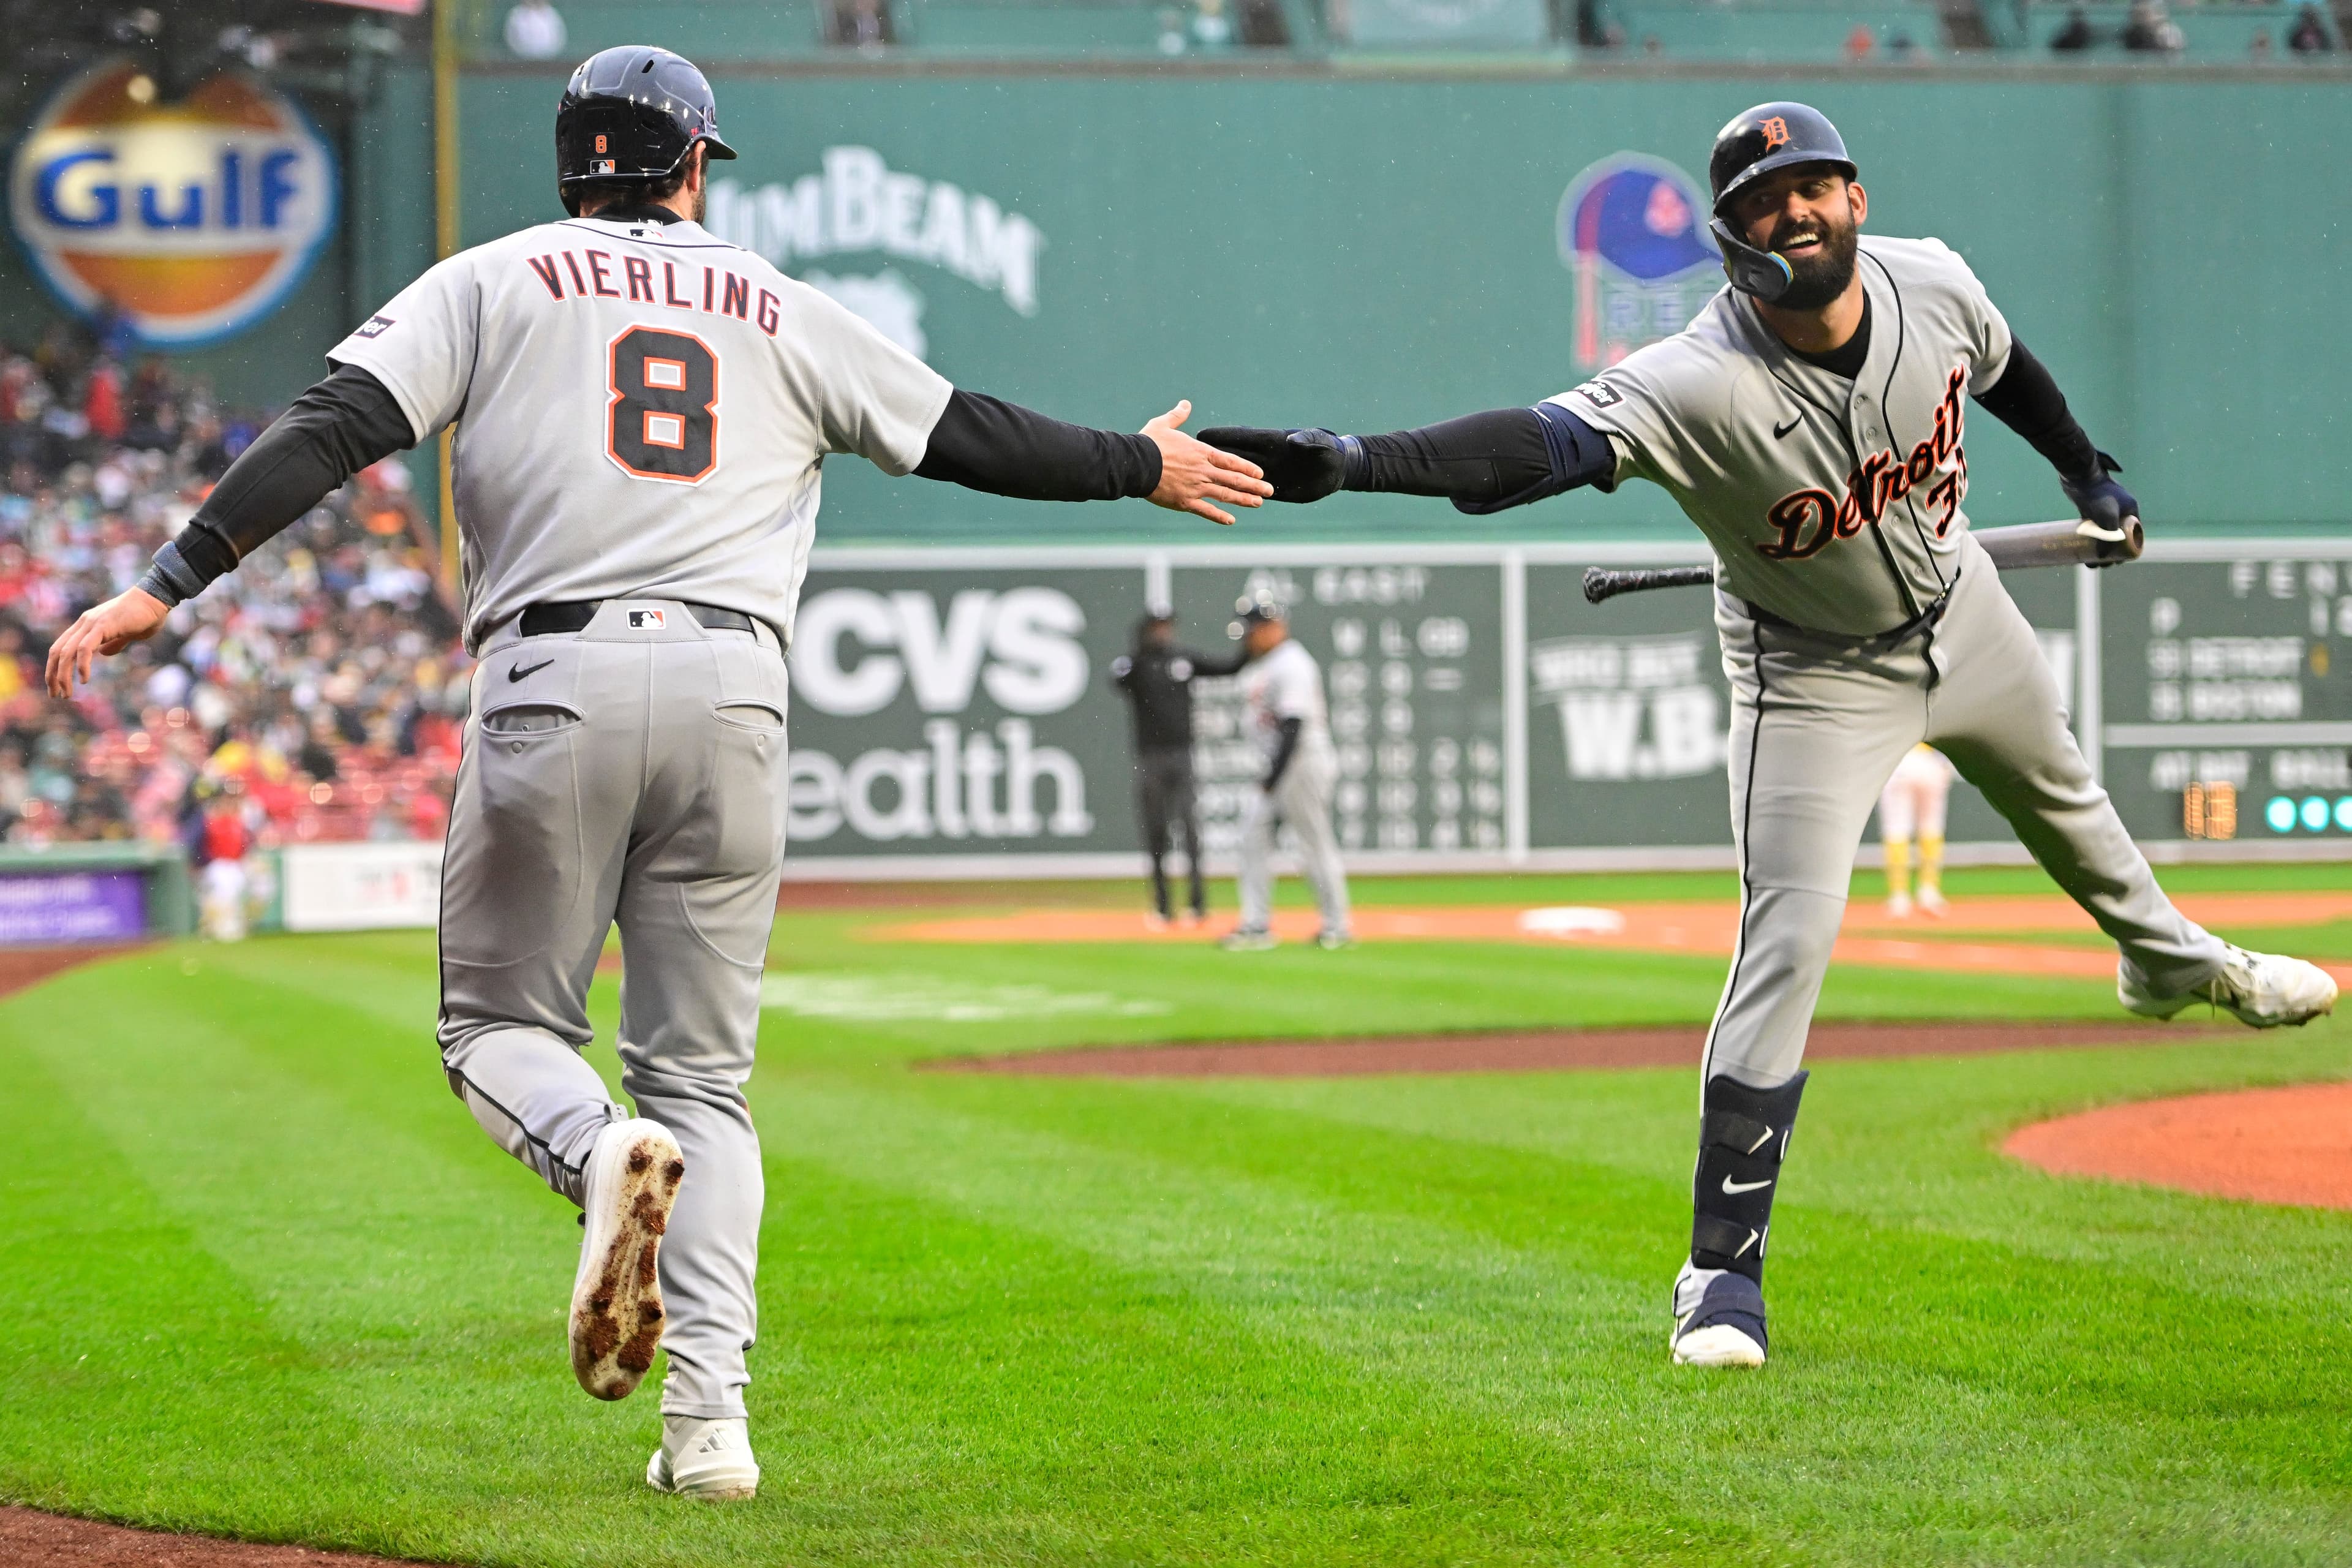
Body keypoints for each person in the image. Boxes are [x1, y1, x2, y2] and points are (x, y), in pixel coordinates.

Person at [47, 45, 1267, 1501]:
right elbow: (970, 436)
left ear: (571, 166)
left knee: (494, 1026)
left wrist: (166, 584)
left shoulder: (490, 278)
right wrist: (1137, 462)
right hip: (737, 689)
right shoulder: (781, 303)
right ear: (694, 167)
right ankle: (709, 1432)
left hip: (553, 678)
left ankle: (592, 1150)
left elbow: (333, 428)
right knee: (706, 1081)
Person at [1200, 100, 2335, 1371]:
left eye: (1818, 184)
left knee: (2077, 814)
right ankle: (1719, 1278)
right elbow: (1535, 445)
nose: (1798, 208)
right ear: (1735, 236)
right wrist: (1357, 459)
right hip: (1813, 671)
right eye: (1764, 200)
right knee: (1788, 939)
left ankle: (2172, 961)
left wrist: (2089, 470)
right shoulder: (1696, 374)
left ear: (1854, 195)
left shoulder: (1934, 279)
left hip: (1967, 604)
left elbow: (2010, 370)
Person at [1221, 597, 1351, 951]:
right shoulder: (1268, 663)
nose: (1247, 637)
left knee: (1314, 844)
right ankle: (1257, 924)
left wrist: (1272, 778)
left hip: (1301, 763)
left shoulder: (1292, 663)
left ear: (1273, 627)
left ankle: (1338, 926)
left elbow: (1294, 724)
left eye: (1252, 629)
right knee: (1252, 837)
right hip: (1279, 765)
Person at [1109, 611, 1242, 926]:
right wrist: (1140, 651)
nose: (1163, 633)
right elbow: (1117, 678)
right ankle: (1163, 906)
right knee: (1156, 833)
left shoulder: (1183, 659)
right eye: (1156, 628)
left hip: (1182, 755)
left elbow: (1227, 668)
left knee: (1190, 830)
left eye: (1166, 627)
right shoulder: (1138, 665)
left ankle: (1198, 904)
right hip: (1150, 758)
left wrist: (1246, 647)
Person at [1877, 743, 1955, 917]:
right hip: (1931, 762)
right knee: (1931, 829)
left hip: (1898, 760)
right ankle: (1929, 892)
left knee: (1896, 831)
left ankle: (1899, 897)